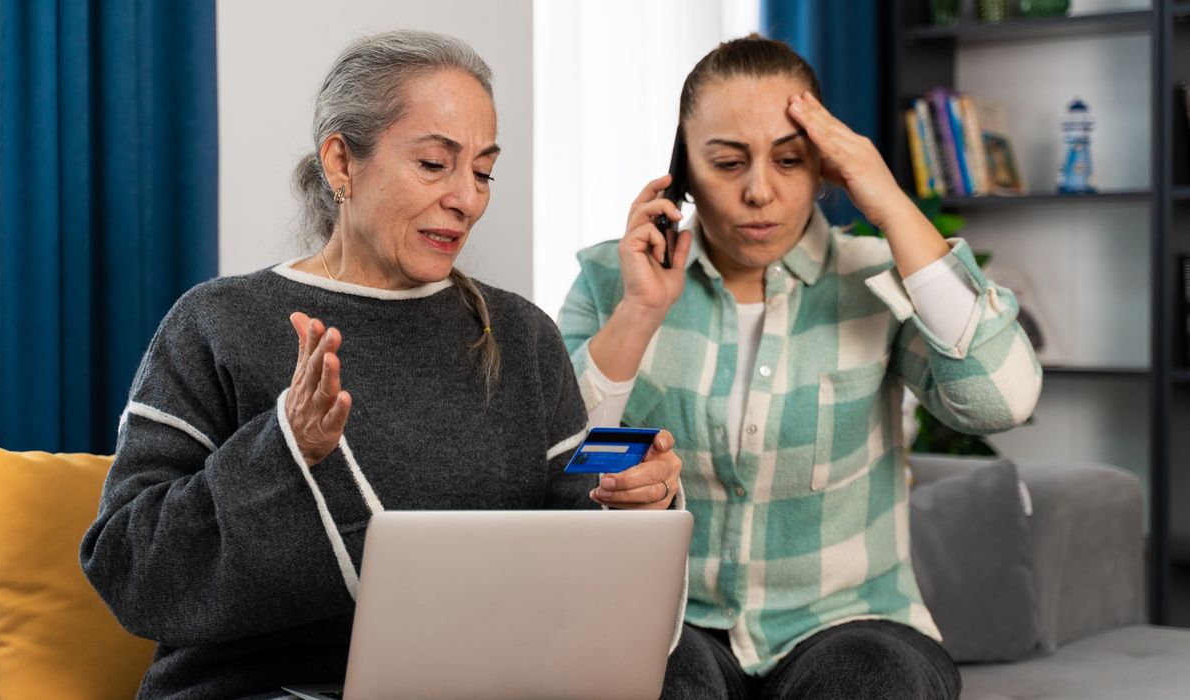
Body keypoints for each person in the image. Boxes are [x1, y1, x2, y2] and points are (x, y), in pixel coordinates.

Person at [80, 30, 686, 699]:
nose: (468, 198)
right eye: (434, 164)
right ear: (341, 161)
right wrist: (282, 452)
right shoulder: (217, 323)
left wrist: (635, 507)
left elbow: (577, 568)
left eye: (482, 171)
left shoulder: (522, 336)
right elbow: (130, 569)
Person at [558, 35, 1042, 699]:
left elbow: (1002, 402)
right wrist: (640, 311)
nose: (759, 191)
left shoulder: (879, 278)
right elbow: (557, 461)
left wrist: (888, 203)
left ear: (824, 167)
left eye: (789, 160)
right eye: (727, 163)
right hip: (675, 617)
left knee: (869, 683)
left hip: (852, 621)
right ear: (683, 172)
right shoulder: (613, 280)